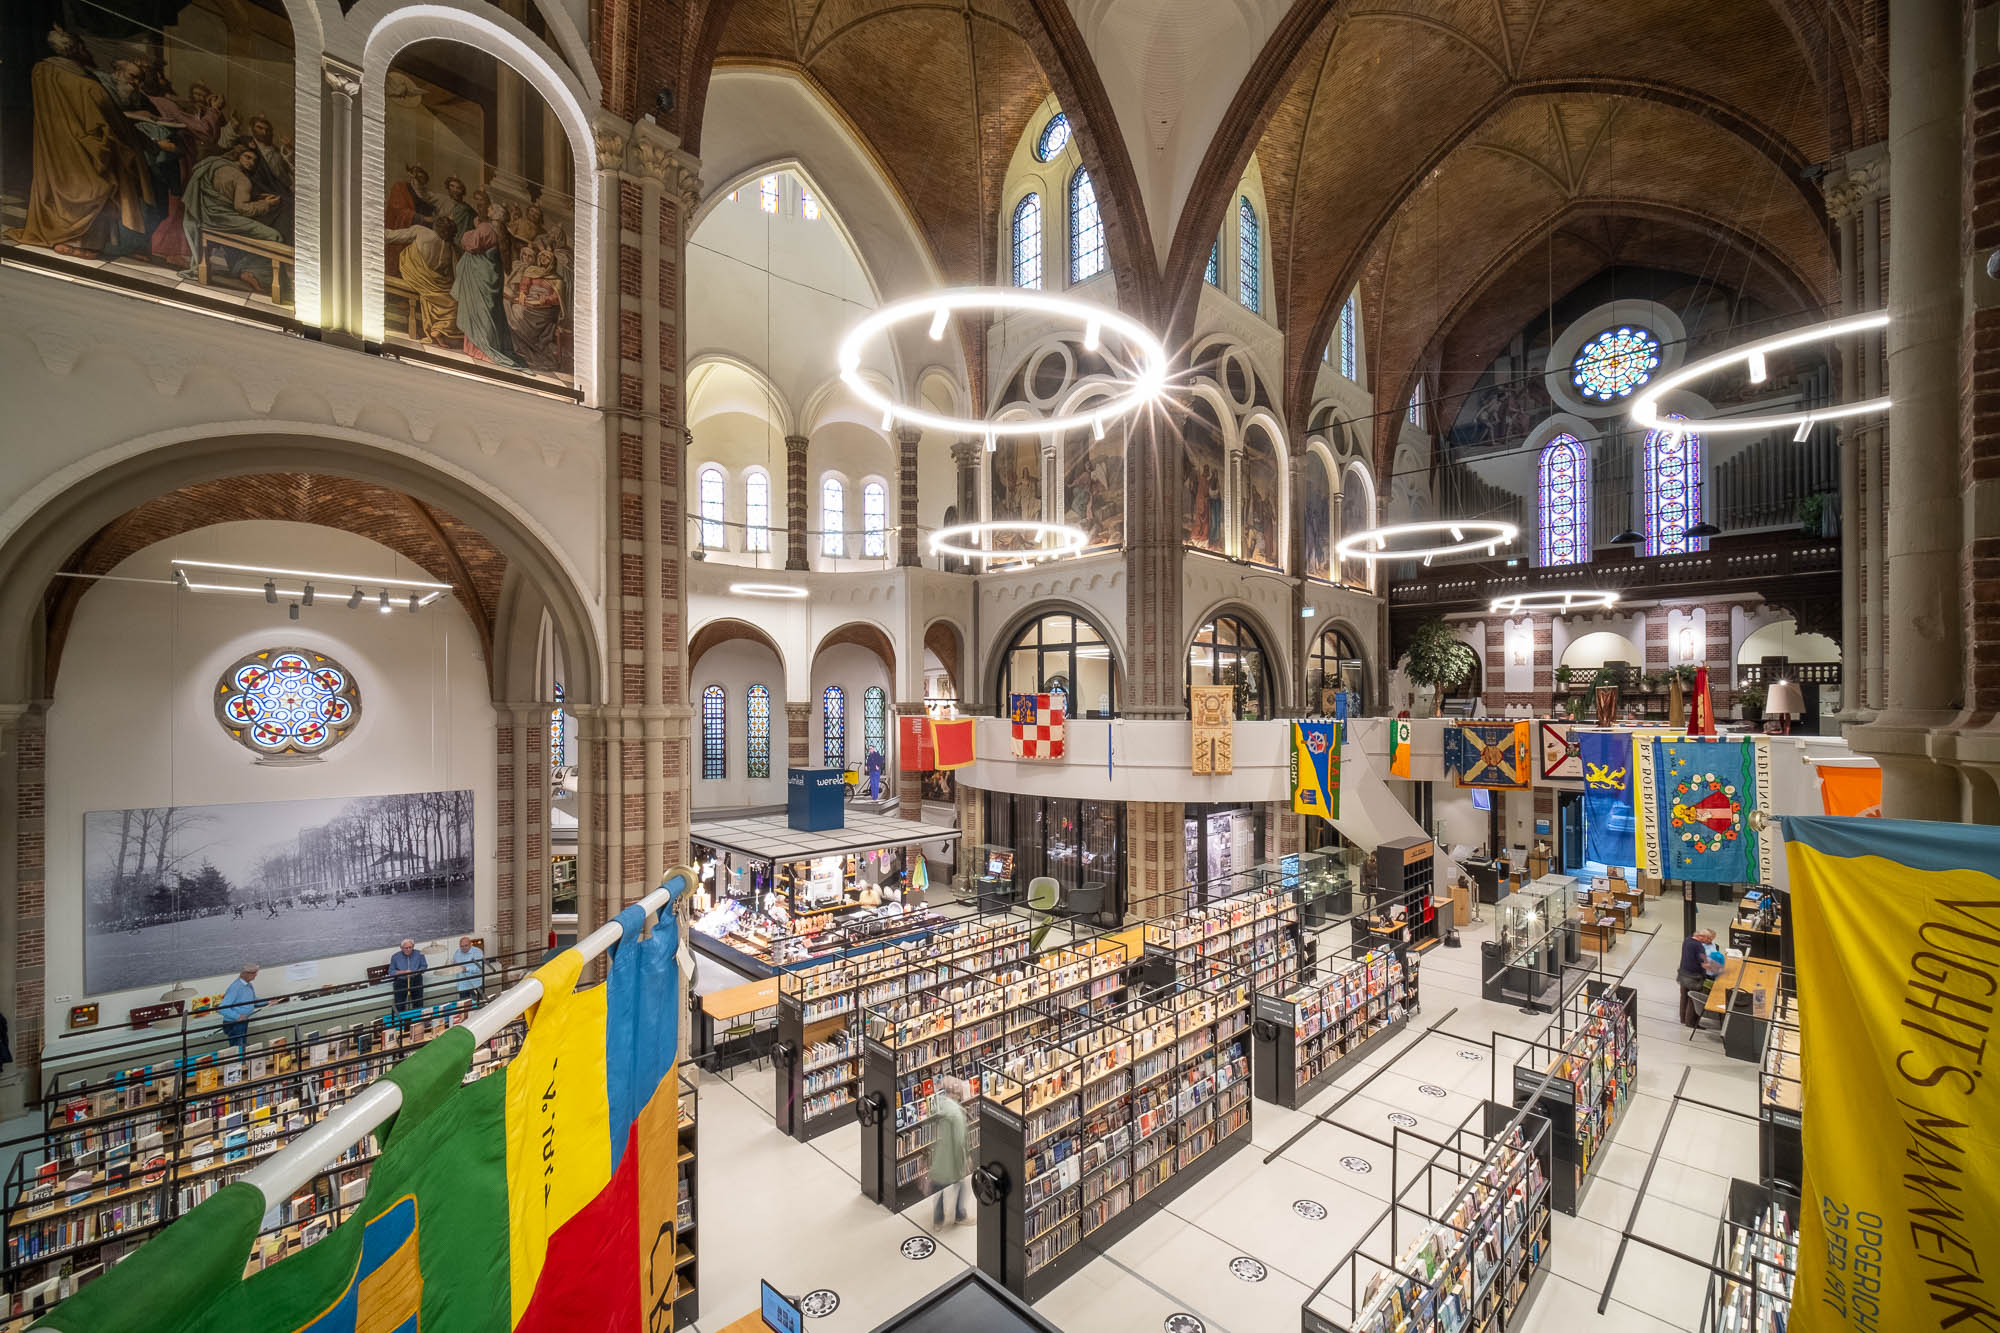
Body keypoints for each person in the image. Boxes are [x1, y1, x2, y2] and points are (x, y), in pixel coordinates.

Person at [8, 26, 154, 259]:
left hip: (56, 149)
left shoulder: (42, 71)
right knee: (101, 181)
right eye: (84, 46)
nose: (88, 51)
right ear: (75, 49)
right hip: (84, 150)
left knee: (73, 185)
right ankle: (83, 243)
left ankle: (65, 239)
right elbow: (110, 124)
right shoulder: (89, 86)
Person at [180, 138, 284, 294]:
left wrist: (255, 199)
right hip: (222, 220)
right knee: (274, 236)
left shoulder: (212, 164)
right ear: (238, 155)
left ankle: (241, 269)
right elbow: (242, 209)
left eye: (254, 160)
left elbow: (222, 196)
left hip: (203, 217)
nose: (251, 163)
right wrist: (267, 205)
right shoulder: (242, 179)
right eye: (247, 157)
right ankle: (255, 274)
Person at [928, 1076, 972, 1227]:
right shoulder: (957, 1114)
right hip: (952, 1160)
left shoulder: (939, 1106)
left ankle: (938, 1220)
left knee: (938, 1187)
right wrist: (964, 1161)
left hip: (939, 1158)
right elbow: (960, 1142)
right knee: (961, 1185)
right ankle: (960, 1215)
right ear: (955, 1093)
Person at [219, 965, 282, 1049]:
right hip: (234, 1023)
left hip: (243, 1020)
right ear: (247, 974)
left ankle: (243, 1060)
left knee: (242, 1045)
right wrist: (237, 1016)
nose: (256, 975)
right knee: (237, 1047)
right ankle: (239, 1061)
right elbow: (222, 1008)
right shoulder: (235, 987)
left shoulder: (248, 985)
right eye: (254, 973)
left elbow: (253, 999)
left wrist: (268, 1001)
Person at [1678, 928, 1721, 1030]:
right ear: (1701, 937)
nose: (1709, 941)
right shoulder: (1699, 946)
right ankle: (1691, 1022)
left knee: (1684, 997)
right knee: (1693, 999)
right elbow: (1704, 964)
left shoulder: (1687, 940)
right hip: (1694, 977)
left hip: (1683, 973)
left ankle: (1683, 1018)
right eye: (1708, 938)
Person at [387, 938, 428, 1014]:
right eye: (406, 948)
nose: (408, 949)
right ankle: (400, 1023)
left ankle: (417, 1022)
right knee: (400, 1005)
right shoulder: (395, 957)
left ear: (413, 946)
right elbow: (391, 972)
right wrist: (404, 972)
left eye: (410, 947)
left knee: (418, 1003)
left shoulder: (420, 954)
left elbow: (424, 966)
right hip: (401, 981)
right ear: (401, 948)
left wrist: (416, 971)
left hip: (416, 979)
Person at [449, 935, 485, 1005]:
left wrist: (466, 969)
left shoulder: (477, 952)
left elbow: (479, 968)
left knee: (478, 1004)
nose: (464, 948)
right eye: (461, 946)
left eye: (466, 945)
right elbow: (454, 962)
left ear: (470, 944)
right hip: (462, 985)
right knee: (464, 1006)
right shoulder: (458, 952)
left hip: (474, 984)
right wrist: (452, 965)